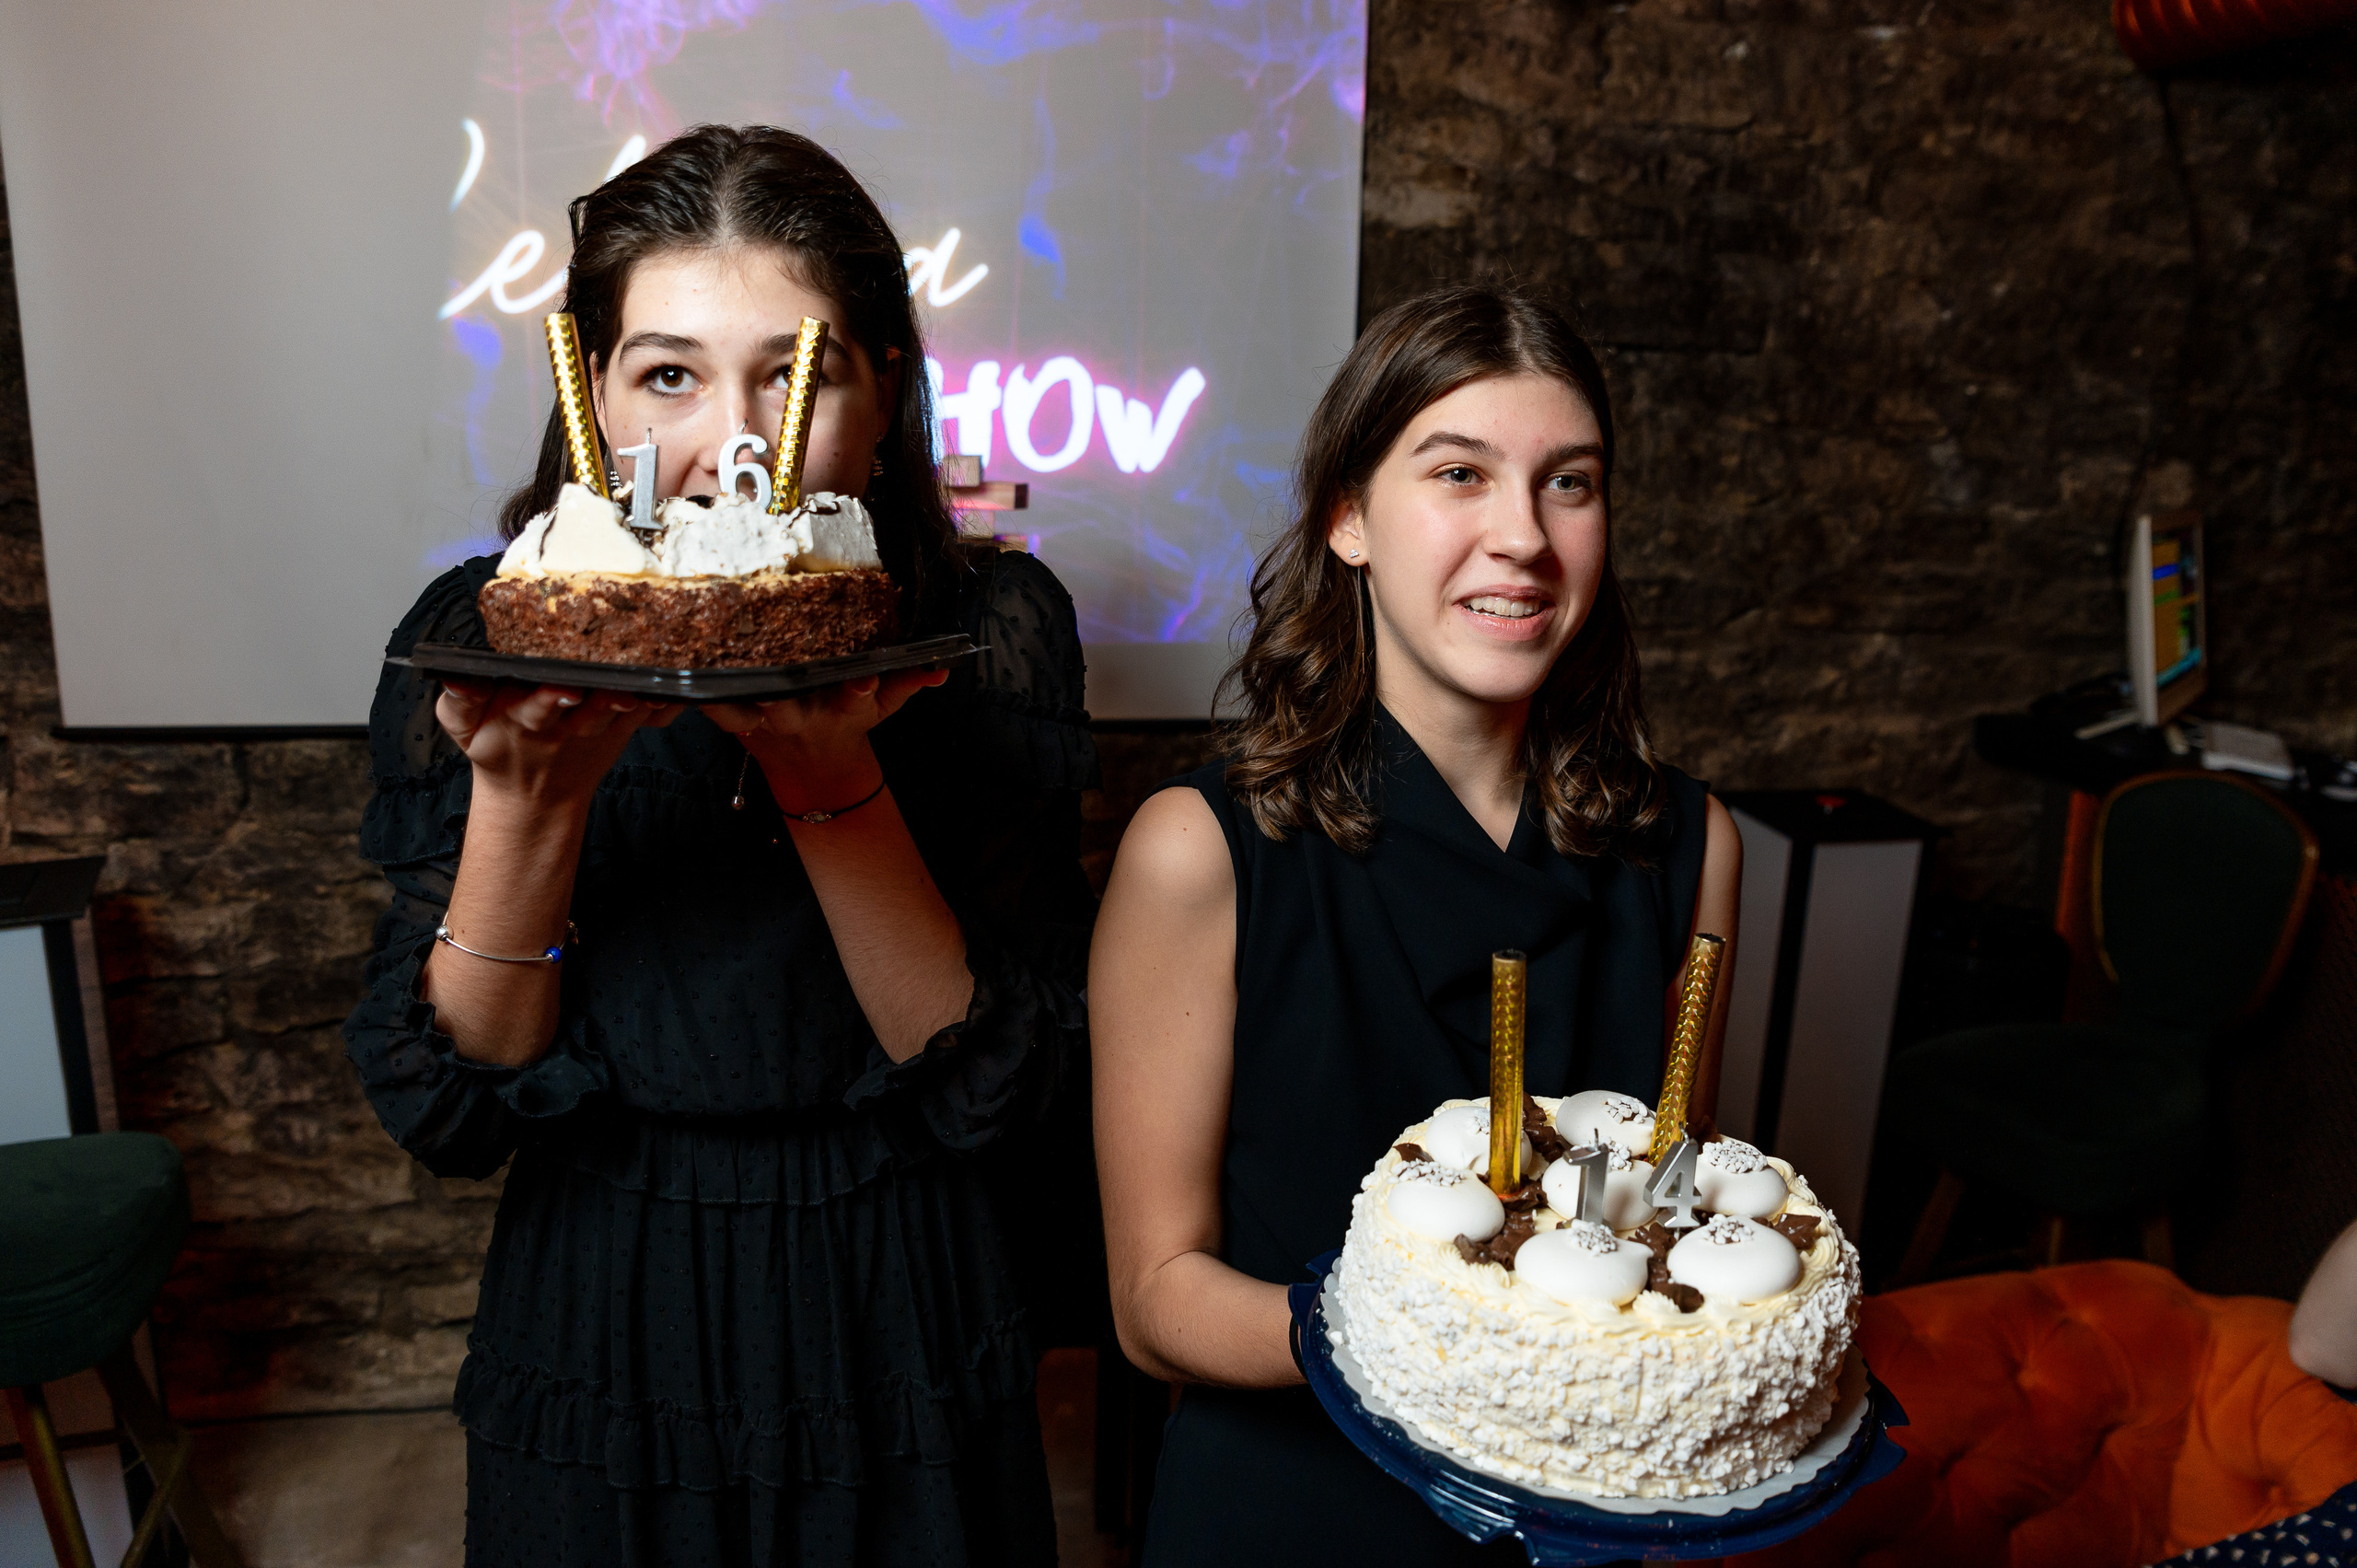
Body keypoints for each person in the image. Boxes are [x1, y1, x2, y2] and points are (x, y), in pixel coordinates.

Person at [343, 125, 1094, 1567]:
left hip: (903, 1291)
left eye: (796, 373)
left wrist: (832, 784)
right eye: (670, 374)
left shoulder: (991, 634)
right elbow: (453, 1113)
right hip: (603, 1295)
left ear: (882, 404)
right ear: (592, 402)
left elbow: (1004, 1096)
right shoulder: (483, 633)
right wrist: (530, 802)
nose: (732, 443)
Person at [1090, 284, 1743, 1562]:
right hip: (1298, 1505)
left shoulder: (1690, 846)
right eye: (1460, 473)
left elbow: (1677, 1205)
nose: (1524, 538)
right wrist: (1433, 1346)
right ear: (1347, 518)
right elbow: (1152, 1299)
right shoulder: (1201, 851)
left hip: (1586, 1512)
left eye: (1570, 483)